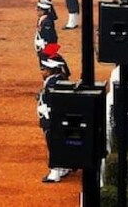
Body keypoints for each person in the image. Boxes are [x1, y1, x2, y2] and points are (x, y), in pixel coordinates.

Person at [37, 51, 72, 183]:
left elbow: (53, 102)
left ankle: (55, 173)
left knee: (53, 143)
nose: (42, 72)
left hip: (52, 119)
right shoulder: (58, 79)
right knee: (58, 143)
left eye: (44, 69)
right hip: (55, 118)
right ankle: (64, 167)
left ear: (51, 69)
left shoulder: (53, 83)